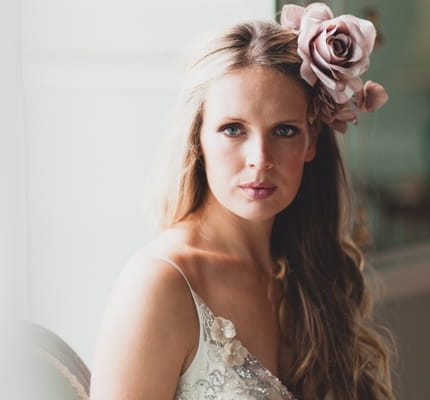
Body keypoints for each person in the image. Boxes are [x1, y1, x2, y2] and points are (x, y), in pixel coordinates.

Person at [90, 3, 395, 399]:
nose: (260, 159)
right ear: (198, 138)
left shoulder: (309, 271)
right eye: (233, 129)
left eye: (284, 130)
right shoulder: (160, 286)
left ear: (311, 141)